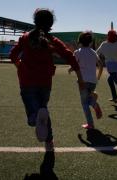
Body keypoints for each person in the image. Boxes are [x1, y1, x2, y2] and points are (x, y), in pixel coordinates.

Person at [9, 8, 84, 152]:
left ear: (35, 21)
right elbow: (70, 56)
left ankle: (34, 117)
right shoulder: (53, 41)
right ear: (50, 24)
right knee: (43, 110)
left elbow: (13, 54)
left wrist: (18, 64)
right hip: (45, 83)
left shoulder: (25, 38)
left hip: (27, 81)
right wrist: (80, 78)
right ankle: (49, 142)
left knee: (33, 116)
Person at [69, 31, 103, 129]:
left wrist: (71, 69)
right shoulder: (93, 52)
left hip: (82, 81)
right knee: (87, 99)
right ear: (90, 42)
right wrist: (98, 77)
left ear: (79, 41)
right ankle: (94, 103)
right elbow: (100, 65)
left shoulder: (77, 52)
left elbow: (75, 64)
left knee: (84, 103)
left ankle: (91, 123)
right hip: (93, 81)